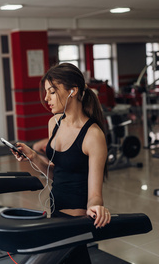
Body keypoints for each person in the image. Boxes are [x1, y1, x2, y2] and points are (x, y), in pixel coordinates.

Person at [12, 63, 110, 258]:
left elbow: (95, 194)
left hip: (74, 219)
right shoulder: (54, 123)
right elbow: (56, 173)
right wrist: (33, 156)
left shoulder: (93, 135)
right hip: (55, 209)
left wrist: (96, 206)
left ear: (72, 91)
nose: (46, 98)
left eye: (52, 92)